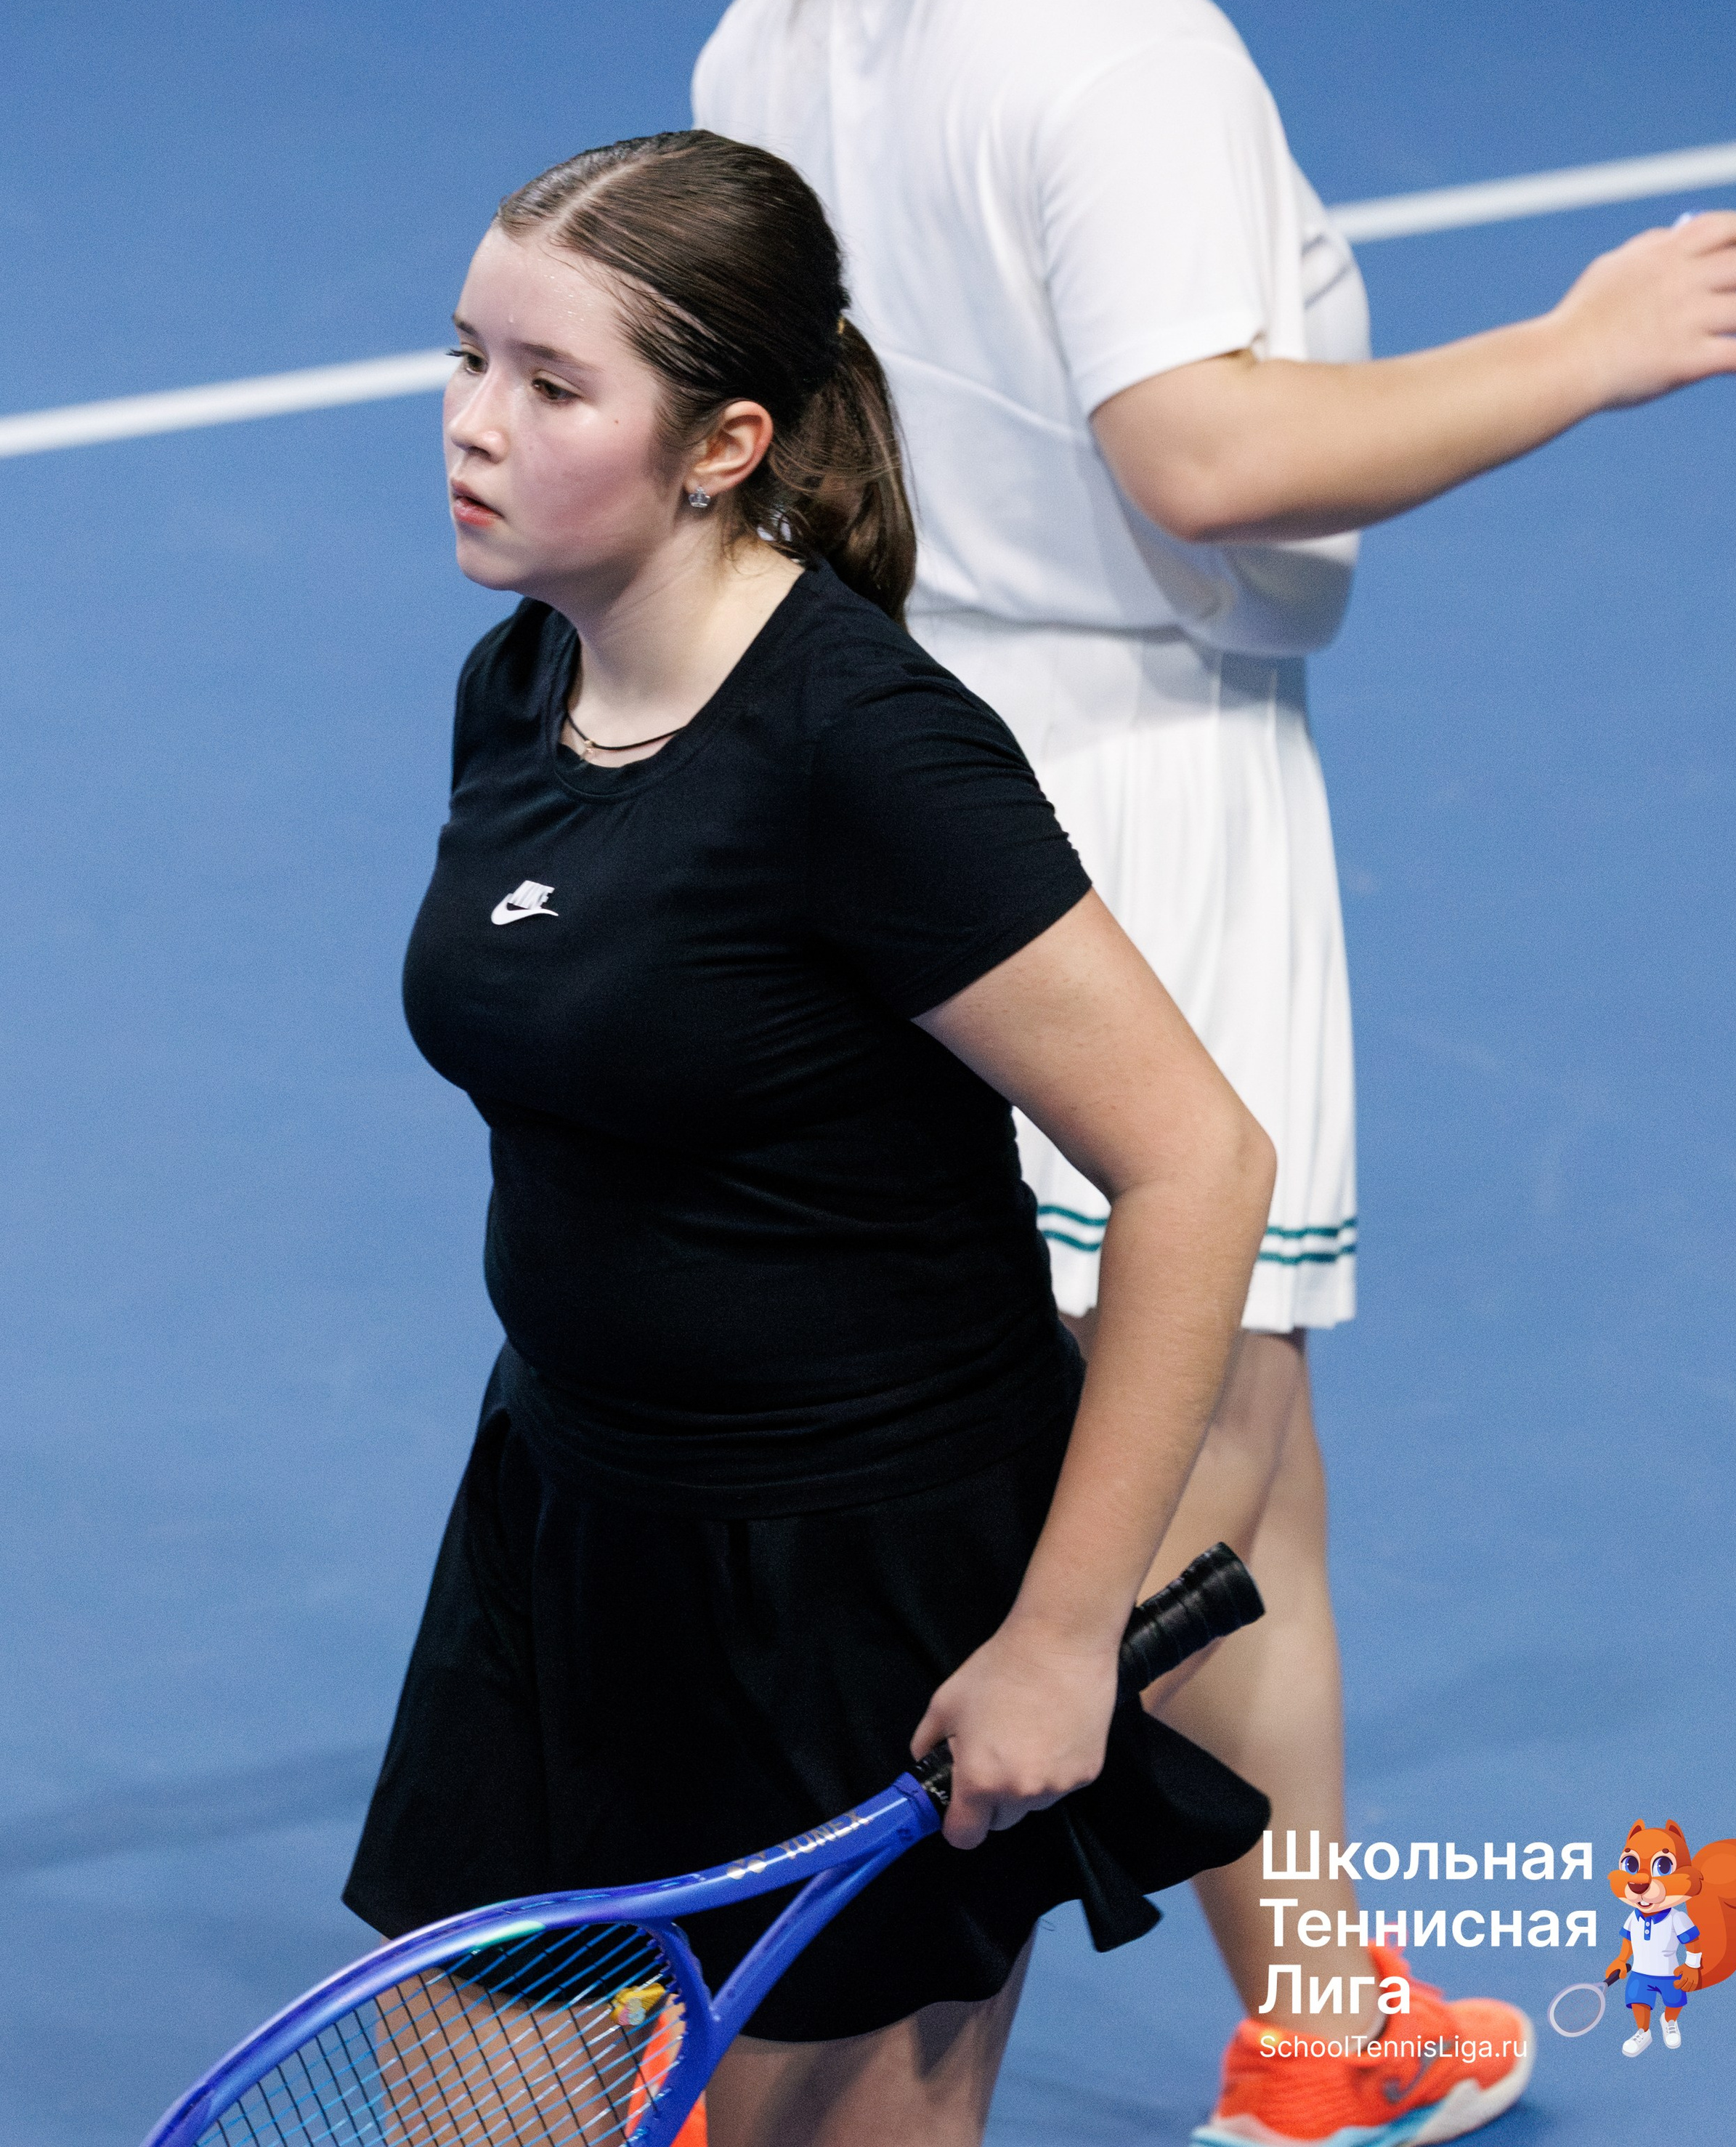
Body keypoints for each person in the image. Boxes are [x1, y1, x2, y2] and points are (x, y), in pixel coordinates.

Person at [690, 0, 1736, 2147]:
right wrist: (1592, 341)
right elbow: (1205, 451)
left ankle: (1315, 2019)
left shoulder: (787, 24)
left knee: (1223, 1454)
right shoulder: (1120, 44)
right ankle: (823, 2051)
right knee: (1124, 1474)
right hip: (1121, 817)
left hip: (861, 766)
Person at [343, 127, 1281, 2147]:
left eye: (549, 382)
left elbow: (1198, 1163)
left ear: (724, 441)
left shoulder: (867, 754)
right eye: (464, 356)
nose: (470, 425)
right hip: (565, 1525)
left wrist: (1054, 1639)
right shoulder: (521, 685)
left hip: (859, 1583)